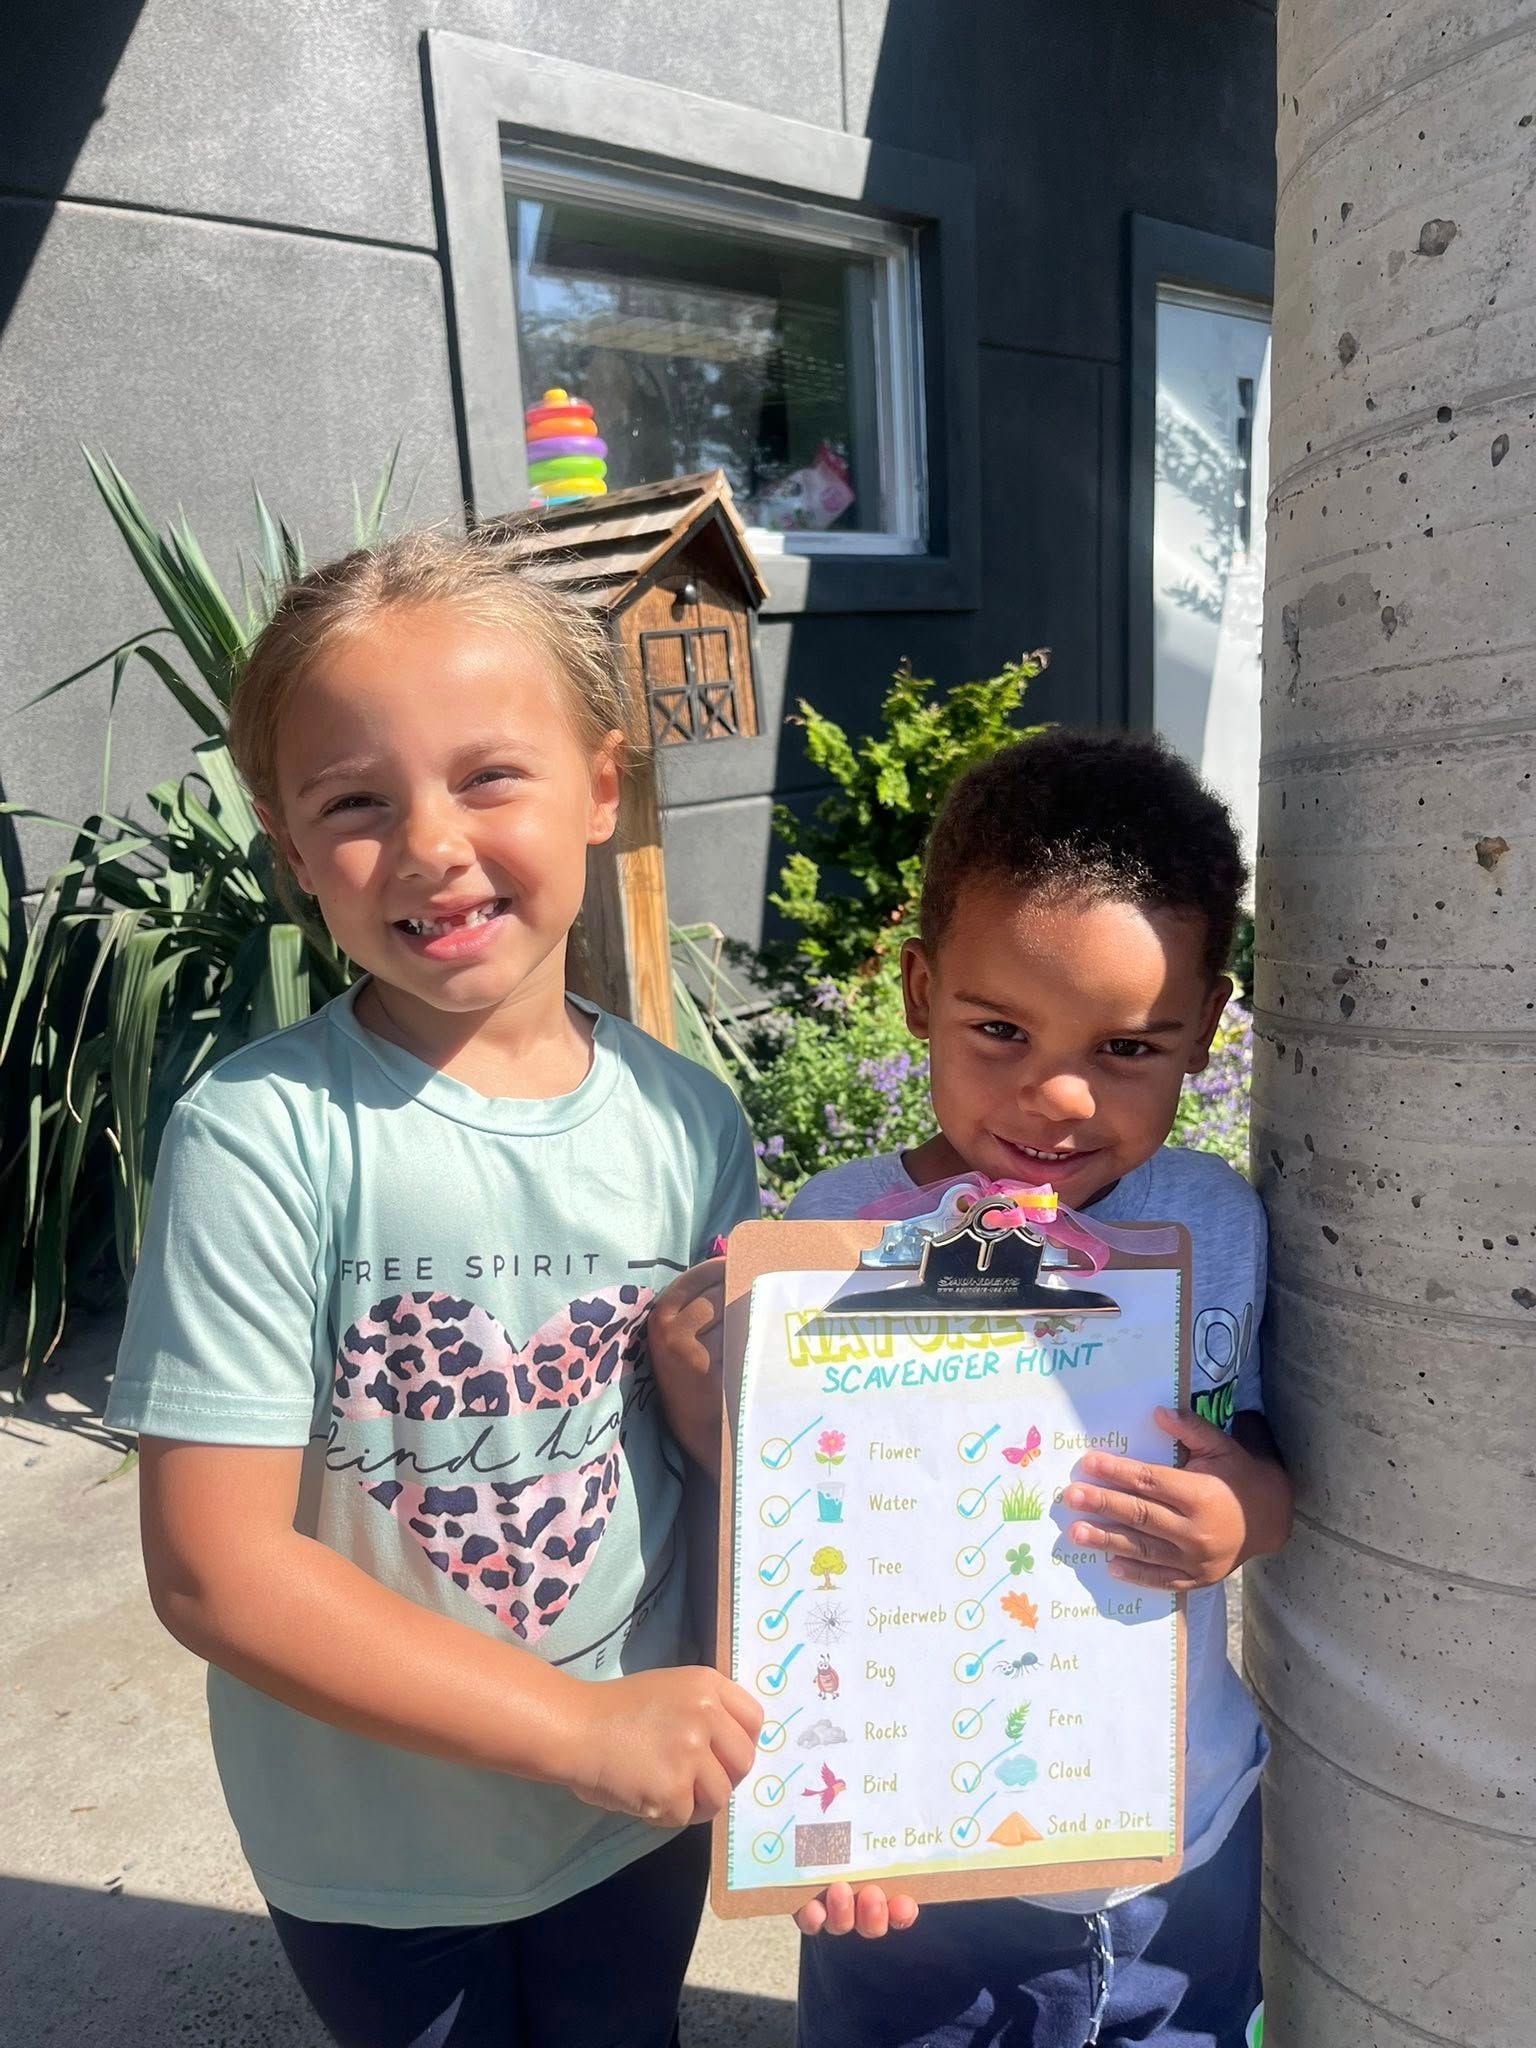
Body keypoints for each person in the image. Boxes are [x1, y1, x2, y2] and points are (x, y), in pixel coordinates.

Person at [106, 532, 763, 2048]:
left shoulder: (688, 1119)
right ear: (285, 842)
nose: (429, 844)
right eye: (354, 801)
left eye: (488, 776)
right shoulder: (261, 1139)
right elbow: (215, 1568)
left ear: (603, 784)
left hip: (630, 1822)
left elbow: (732, 1472)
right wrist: (573, 1727)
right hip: (376, 1851)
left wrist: (724, 1418)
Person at [650, 729, 1293, 2048]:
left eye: (1130, 1049)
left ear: (1207, 1031)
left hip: (1179, 1842)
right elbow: (782, 1531)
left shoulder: (1214, 1226)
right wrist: (701, 1392)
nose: (1056, 1096)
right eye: (999, 1029)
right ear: (917, 991)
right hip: (913, 1877)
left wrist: (1248, 1520)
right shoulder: (832, 1234)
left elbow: (1257, 1450)